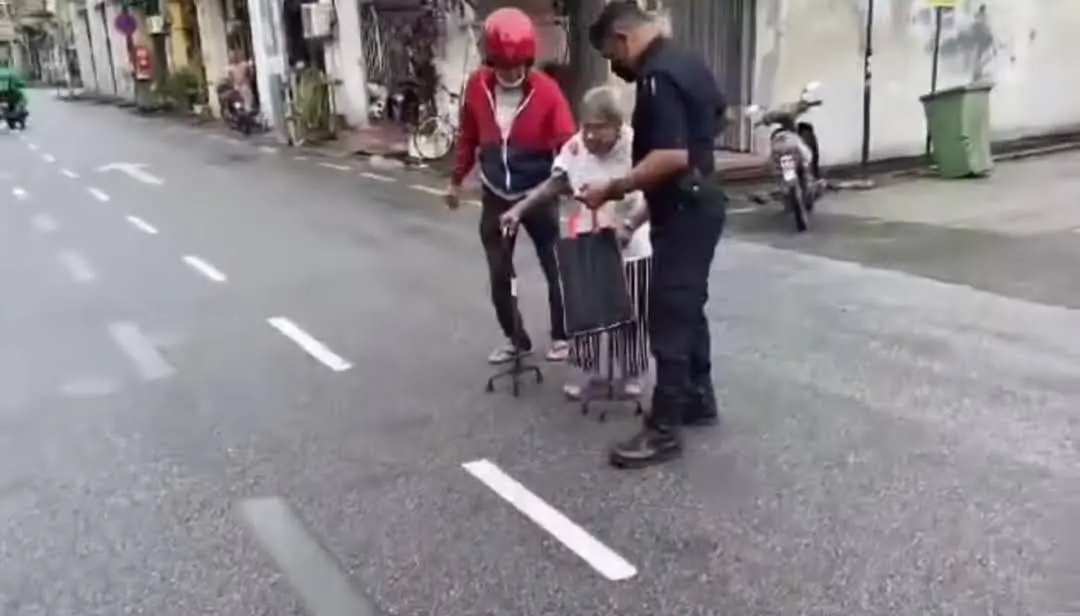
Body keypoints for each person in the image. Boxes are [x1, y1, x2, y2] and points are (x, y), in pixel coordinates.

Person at [581, 1, 727, 468]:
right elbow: (713, 122)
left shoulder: (658, 75)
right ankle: (697, 398)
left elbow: (669, 156)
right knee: (688, 307)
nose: (616, 68)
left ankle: (663, 429)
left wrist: (613, 188)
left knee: (669, 314)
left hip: (685, 210)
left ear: (623, 38)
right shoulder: (689, 62)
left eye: (612, 56)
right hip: (697, 201)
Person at [499, 85, 652, 401]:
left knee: (631, 310)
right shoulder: (576, 147)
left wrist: (629, 225)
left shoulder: (638, 146)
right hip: (588, 235)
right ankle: (594, 374)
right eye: (587, 127)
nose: (591, 136)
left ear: (618, 125)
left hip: (630, 238)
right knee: (587, 311)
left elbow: (655, 194)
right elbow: (555, 184)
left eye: (600, 128)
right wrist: (519, 209)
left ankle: (631, 373)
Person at [444, 7, 577, 365]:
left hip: (537, 193)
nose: (512, 74)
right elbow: (468, 137)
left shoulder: (547, 92)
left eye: (520, 66)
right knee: (500, 273)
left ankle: (562, 336)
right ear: (490, 61)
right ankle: (516, 339)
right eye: (504, 67)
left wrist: (572, 180)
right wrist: (456, 181)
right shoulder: (476, 87)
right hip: (496, 194)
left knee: (555, 265)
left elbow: (568, 143)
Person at [0, 59, 28, 125]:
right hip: (13, 96)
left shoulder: (8, 73)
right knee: (22, 101)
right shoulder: (12, 73)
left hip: (4, 96)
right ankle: (19, 115)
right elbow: (21, 83)